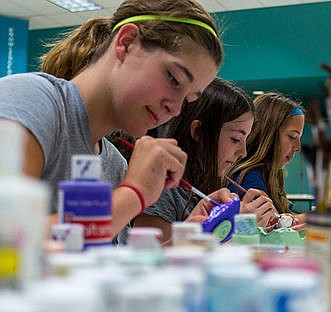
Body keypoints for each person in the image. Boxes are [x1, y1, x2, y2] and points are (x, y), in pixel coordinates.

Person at [0, 0, 232, 239]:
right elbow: (8, 236)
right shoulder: (29, 99)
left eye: (187, 100)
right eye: (173, 79)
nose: (174, 109)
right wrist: (134, 193)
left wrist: (187, 239)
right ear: (127, 42)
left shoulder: (114, 164)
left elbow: (96, 261)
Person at [133, 77, 279, 243]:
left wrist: (261, 228)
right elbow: (159, 261)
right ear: (198, 132)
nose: (243, 152)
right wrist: (240, 228)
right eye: (235, 139)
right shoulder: (162, 191)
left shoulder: (211, 186)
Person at [227, 92, 305, 215]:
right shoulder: (249, 178)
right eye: (292, 136)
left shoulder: (269, 175)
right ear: (269, 134)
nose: (298, 147)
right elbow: (268, 228)